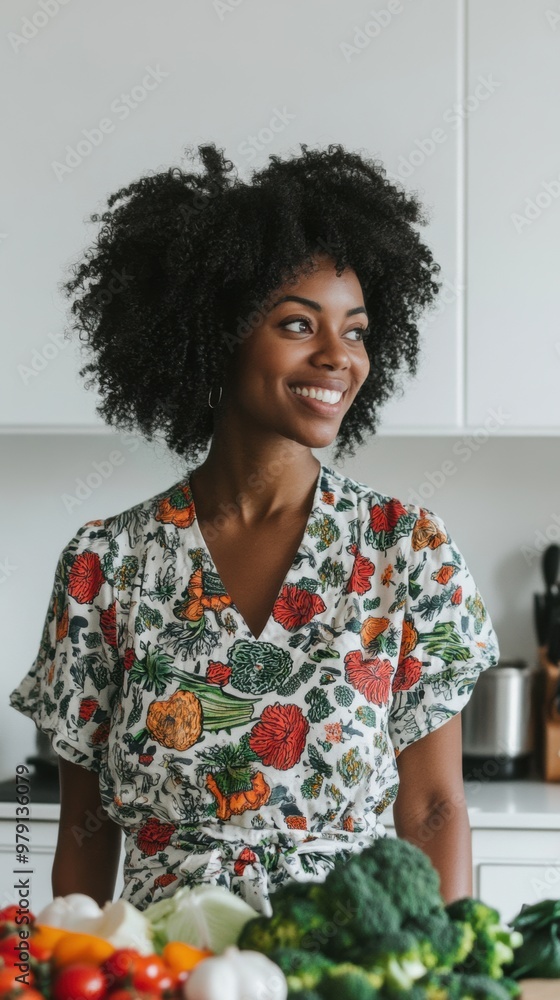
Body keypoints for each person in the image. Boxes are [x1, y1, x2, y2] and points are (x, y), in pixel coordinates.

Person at [9, 142, 499, 917]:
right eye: (299, 325)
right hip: (168, 965)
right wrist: (65, 965)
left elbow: (434, 810)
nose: (339, 357)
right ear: (217, 333)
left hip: (345, 965)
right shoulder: (104, 565)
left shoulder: (408, 549)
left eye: (358, 330)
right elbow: (84, 822)